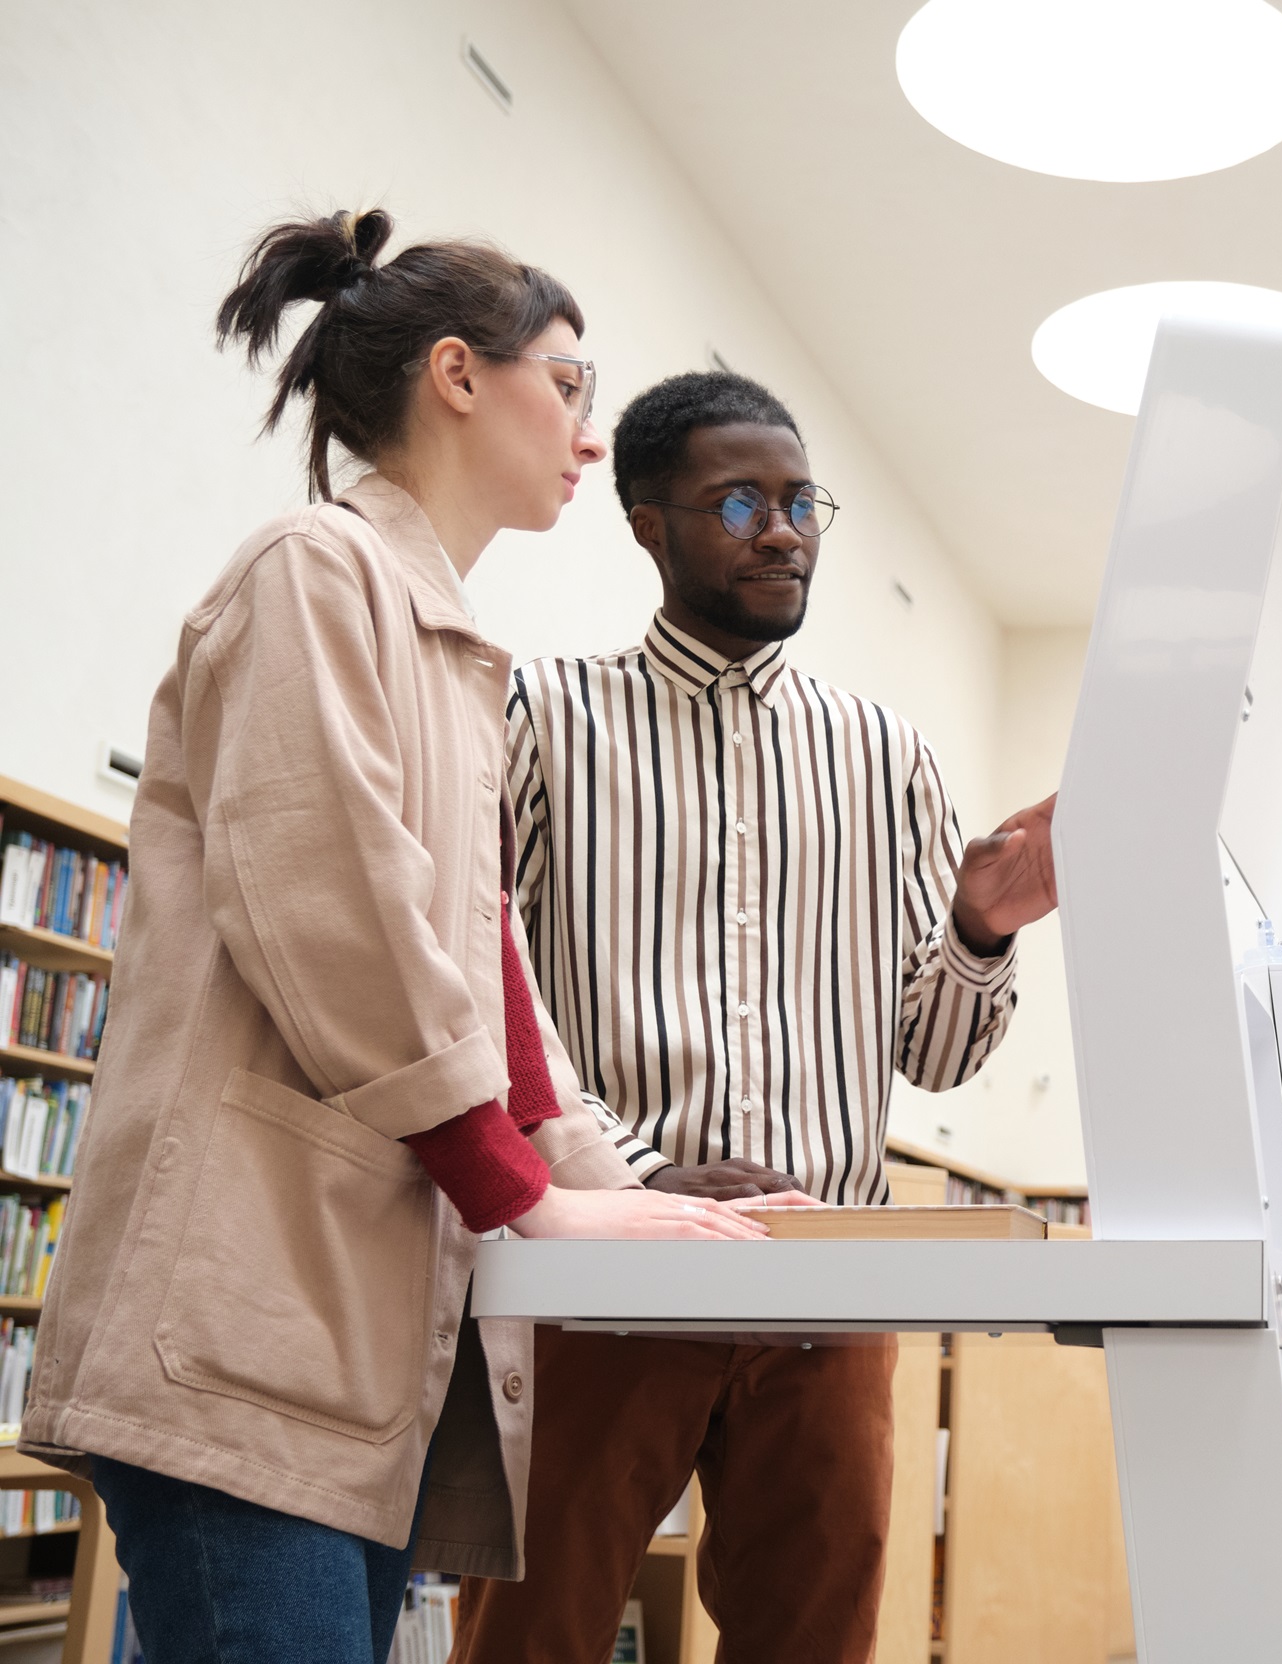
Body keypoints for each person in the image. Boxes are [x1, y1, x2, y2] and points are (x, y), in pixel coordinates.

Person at [18, 211, 772, 1664]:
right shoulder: (312, 568)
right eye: (570, 382)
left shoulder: (452, 649)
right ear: (457, 374)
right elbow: (340, 921)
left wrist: (627, 1201)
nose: (590, 431)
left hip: (340, 1350)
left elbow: (491, 978)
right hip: (244, 1326)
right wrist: (523, 1195)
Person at [450, 370, 1059, 1663]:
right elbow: (479, 989)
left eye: (800, 503)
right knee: (528, 1639)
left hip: (826, 1293)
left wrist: (980, 927)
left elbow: (934, 1053)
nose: (782, 532)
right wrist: (641, 1173)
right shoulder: (538, 716)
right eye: (738, 503)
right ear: (648, 524)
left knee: (813, 1643)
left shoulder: (886, 755)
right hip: (601, 1274)